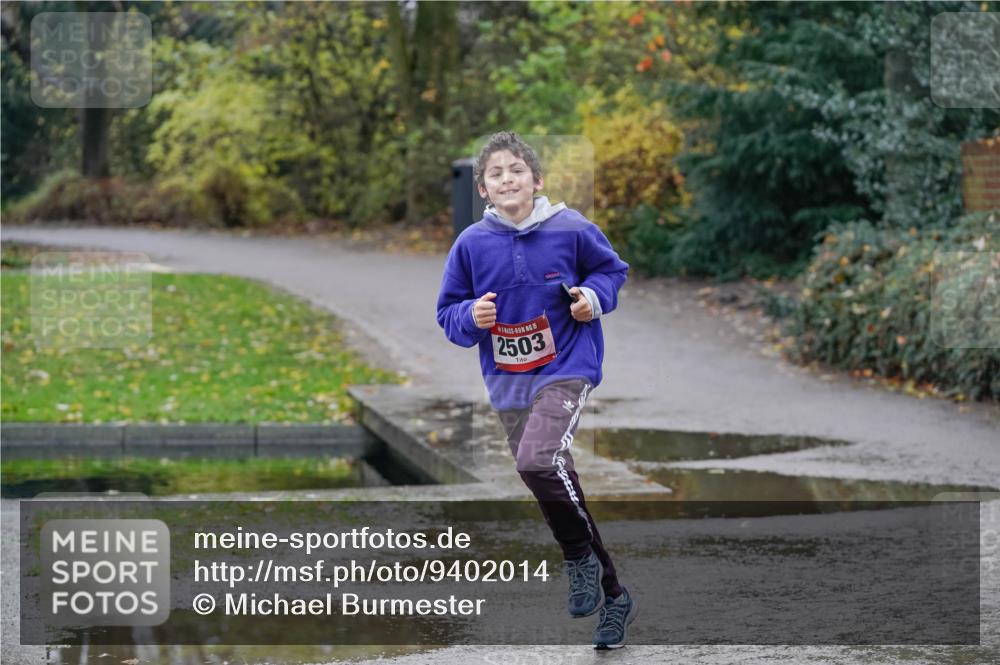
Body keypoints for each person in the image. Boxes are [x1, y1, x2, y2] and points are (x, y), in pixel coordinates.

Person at [435, 131, 636, 649]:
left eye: (516, 170)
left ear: (537, 180)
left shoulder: (570, 228)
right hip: (508, 383)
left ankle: (575, 557)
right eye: (496, 173)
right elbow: (448, 314)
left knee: (536, 461)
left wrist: (592, 297)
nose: (507, 179)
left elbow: (611, 271)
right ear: (483, 188)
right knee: (555, 480)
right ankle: (613, 595)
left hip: (567, 367)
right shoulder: (471, 245)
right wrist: (470, 315)